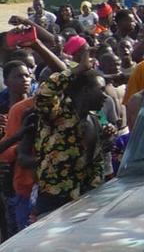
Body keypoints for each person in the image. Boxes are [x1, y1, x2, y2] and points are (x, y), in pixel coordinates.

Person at [33, 50, 111, 216]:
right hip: (53, 202)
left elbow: (95, 163)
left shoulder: (94, 120)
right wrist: (76, 70)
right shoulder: (57, 114)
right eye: (101, 90)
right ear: (85, 90)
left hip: (83, 201)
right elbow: (44, 93)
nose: (105, 96)